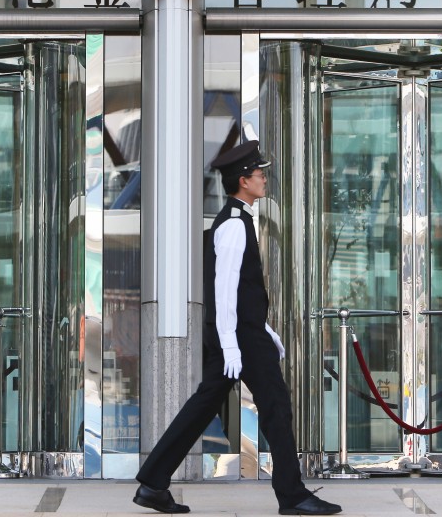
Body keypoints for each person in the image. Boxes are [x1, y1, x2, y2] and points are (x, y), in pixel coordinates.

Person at [133, 141, 342, 516]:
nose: (264, 179)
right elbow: (223, 290)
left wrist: (265, 329)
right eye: (260, 174)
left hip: (245, 333)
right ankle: (292, 495)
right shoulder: (233, 224)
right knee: (276, 408)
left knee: (203, 406)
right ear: (243, 180)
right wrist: (232, 344)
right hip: (241, 338)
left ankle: (153, 483)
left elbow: (241, 290)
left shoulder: (239, 219)